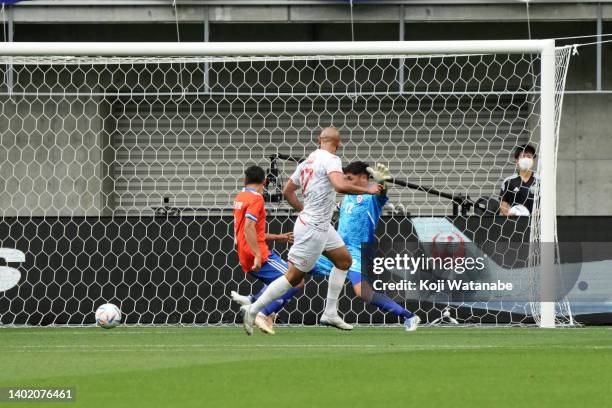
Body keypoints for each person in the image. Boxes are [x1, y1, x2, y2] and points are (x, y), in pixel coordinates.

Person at [234, 161, 420, 333]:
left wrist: (383, 184)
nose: (344, 182)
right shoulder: (347, 198)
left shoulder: (372, 197)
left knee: (362, 292)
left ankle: (409, 316)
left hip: (357, 252)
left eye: (349, 178)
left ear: (363, 178)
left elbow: (382, 193)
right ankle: (259, 307)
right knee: (295, 274)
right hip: (336, 249)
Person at [240, 127, 382, 335]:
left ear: (318, 140)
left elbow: (288, 191)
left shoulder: (307, 162)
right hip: (313, 228)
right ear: (338, 143)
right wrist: (368, 189)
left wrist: (303, 210)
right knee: (293, 278)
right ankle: (253, 311)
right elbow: (339, 186)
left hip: (320, 225)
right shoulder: (332, 159)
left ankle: (330, 313)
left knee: (344, 261)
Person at [231, 165, 301, 333]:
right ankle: (258, 311)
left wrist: (279, 237)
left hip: (244, 251)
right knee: (296, 281)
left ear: (245, 180)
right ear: (264, 181)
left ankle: (255, 304)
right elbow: (248, 228)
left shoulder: (240, 197)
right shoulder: (256, 199)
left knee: (279, 283)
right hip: (257, 253)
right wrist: (256, 254)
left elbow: (252, 231)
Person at [499, 144, 538, 217]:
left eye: (529, 157)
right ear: (517, 160)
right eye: (523, 156)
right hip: (515, 222)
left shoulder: (540, 181)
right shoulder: (509, 181)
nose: (526, 159)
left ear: (533, 160)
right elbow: (503, 205)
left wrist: (540, 212)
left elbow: (547, 204)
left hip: (535, 224)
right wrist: (507, 214)